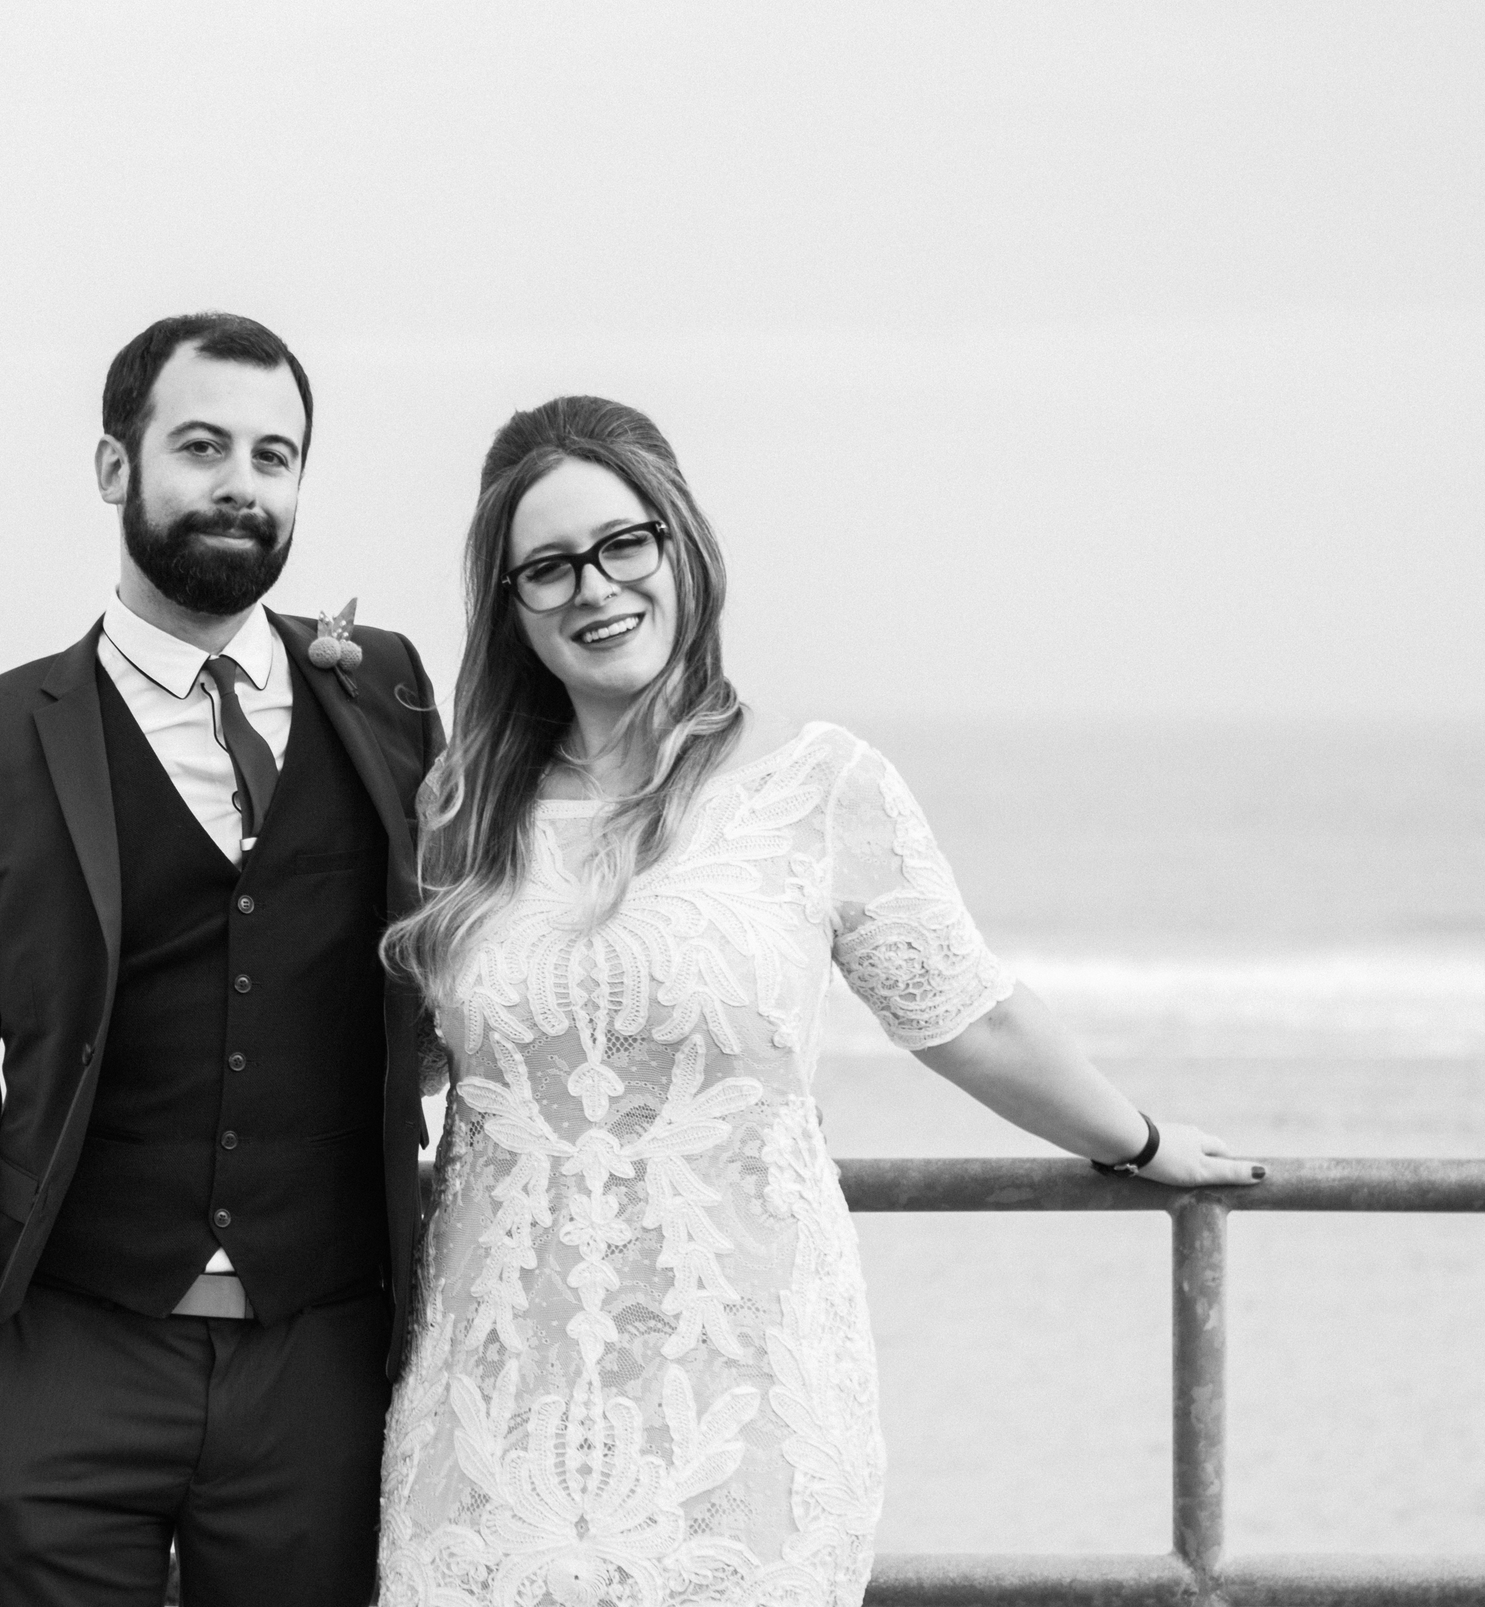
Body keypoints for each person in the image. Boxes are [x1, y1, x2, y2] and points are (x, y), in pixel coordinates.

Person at [373, 396, 1263, 1607]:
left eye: (623, 542)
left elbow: (968, 1013)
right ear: (509, 606)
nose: (594, 587)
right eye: (548, 567)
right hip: (485, 1423)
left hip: (741, 1414)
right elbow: (401, 1063)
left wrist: (1142, 1138)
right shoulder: (461, 816)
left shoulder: (812, 787)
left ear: (683, 545)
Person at [0, 312, 446, 1606]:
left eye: (274, 453)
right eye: (202, 445)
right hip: (66, 1359)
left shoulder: (391, 690)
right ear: (113, 465)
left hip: (322, 1361)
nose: (241, 481)